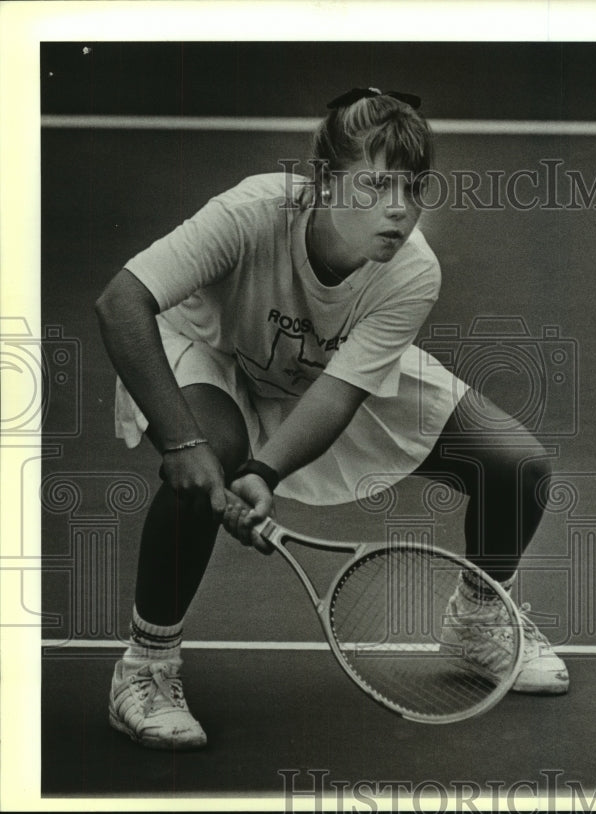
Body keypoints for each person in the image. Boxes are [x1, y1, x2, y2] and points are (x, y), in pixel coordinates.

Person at [96, 88, 568, 751]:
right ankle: (145, 669)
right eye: (375, 185)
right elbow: (122, 302)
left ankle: (479, 622)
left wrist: (267, 471)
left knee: (514, 463)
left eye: (412, 188)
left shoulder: (411, 272)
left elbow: (338, 395)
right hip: (212, 349)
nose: (399, 208)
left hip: (321, 366)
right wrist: (180, 438)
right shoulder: (253, 212)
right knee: (212, 448)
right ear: (323, 180)